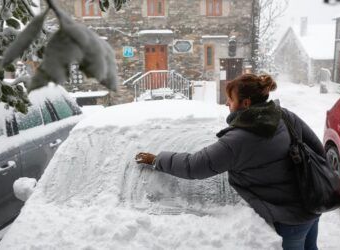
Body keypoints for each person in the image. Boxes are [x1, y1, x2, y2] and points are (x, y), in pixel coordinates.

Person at [135, 73, 322, 250]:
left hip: (290, 219)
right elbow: (315, 146)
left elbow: (194, 166)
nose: (226, 103)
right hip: (311, 203)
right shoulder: (283, 115)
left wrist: (157, 159)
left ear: (245, 103)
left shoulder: (238, 140)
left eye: (230, 99)